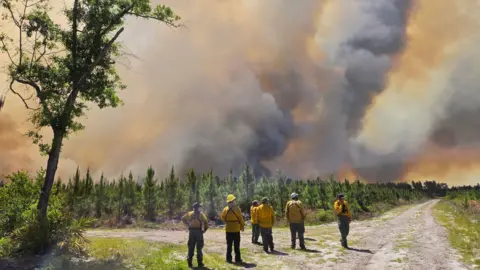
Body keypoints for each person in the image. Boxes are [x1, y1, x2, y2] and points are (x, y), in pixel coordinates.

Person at [181, 202, 209, 268]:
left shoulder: (189, 213)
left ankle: (190, 263)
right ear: (198, 208)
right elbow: (206, 222)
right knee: (199, 248)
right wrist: (204, 230)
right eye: (199, 207)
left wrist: (188, 225)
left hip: (191, 232)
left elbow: (183, 219)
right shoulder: (201, 214)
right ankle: (200, 263)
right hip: (199, 232)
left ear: (193, 208)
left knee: (191, 247)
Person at [221, 194, 245, 263]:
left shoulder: (225, 209)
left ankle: (228, 259)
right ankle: (237, 259)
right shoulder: (237, 209)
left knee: (229, 245)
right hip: (236, 229)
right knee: (236, 245)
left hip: (228, 229)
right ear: (233, 201)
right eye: (234, 200)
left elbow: (222, 217)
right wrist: (242, 226)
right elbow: (240, 219)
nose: (235, 201)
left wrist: (228, 221)